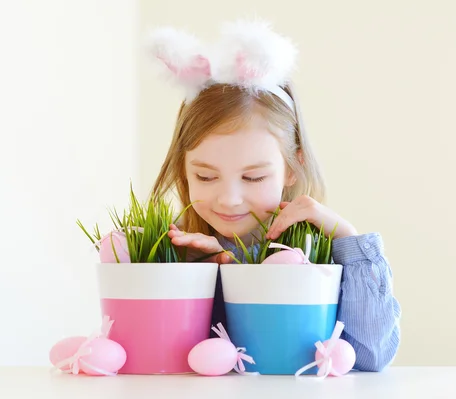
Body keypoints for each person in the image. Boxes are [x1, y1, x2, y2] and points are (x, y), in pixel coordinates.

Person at [146, 18, 401, 372]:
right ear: (183, 169)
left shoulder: (320, 251)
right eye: (205, 176)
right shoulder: (177, 246)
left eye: (253, 177)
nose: (229, 198)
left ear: (292, 169)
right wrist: (192, 271)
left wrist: (349, 239)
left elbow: (371, 355)